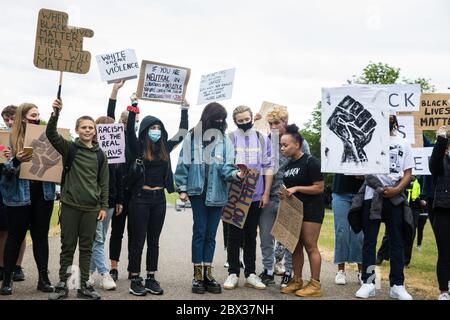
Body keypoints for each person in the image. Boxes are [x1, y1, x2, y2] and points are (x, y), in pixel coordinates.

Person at [175, 102, 245, 294]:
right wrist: (181, 188)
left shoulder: (225, 140)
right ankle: (197, 275)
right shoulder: (192, 137)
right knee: (200, 231)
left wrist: (236, 174)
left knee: (211, 235)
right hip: (197, 192)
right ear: (208, 118)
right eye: (217, 118)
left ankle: (208, 274)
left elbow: (227, 167)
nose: (220, 122)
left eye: (222, 119)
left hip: (218, 194)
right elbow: (183, 162)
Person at [125, 94, 189, 296]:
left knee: (154, 240)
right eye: (152, 128)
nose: (156, 131)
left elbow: (182, 133)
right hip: (140, 199)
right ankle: (135, 278)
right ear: (145, 130)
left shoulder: (165, 148)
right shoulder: (137, 147)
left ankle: (151, 277)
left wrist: (184, 109)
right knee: (138, 239)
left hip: (159, 199)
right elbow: (128, 131)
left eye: (158, 128)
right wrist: (134, 107)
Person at [47, 99, 108, 300]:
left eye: (91, 127)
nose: (88, 130)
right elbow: (51, 134)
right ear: (77, 130)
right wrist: (55, 113)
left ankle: (83, 286)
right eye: (84, 127)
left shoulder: (101, 155)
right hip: (70, 206)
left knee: (86, 249)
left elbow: (104, 183)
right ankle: (63, 285)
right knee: (67, 247)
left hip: (91, 209)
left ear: (95, 131)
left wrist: (103, 207)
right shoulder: (69, 148)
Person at [354, 114, 414, 300]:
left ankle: (397, 285)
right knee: (369, 241)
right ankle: (369, 282)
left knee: (396, 241)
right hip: (372, 197)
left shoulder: (404, 143)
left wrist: (397, 189)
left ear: (394, 122)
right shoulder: (367, 141)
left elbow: (408, 173)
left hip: (395, 198)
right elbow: (358, 173)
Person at [0, 103, 55, 295]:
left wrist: (56, 112)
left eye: (39, 115)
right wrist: (16, 160)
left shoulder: (46, 137)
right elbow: (4, 171)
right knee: (15, 237)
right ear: (23, 118)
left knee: (41, 237)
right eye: (33, 115)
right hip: (18, 197)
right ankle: (7, 280)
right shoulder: (8, 139)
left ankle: (43, 279)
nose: (37, 118)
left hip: (44, 194)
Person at [258, 106, 310, 288]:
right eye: (270, 123)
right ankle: (268, 270)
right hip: (269, 195)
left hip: (289, 196)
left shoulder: (299, 142)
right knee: (265, 236)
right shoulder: (267, 141)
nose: (273, 126)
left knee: (288, 237)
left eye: (276, 123)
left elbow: (307, 166)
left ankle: (288, 272)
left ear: (285, 122)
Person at [222, 106, 272, 290]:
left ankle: (250, 273)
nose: (244, 123)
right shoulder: (229, 138)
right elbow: (225, 165)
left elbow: (268, 167)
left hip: (256, 194)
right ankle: (233, 273)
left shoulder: (261, 138)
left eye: (246, 119)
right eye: (240, 120)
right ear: (235, 121)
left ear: (252, 118)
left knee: (251, 234)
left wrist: (266, 193)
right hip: (235, 194)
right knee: (234, 235)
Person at [278, 124, 325, 297]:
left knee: (310, 246)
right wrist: (285, 194)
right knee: (295, 247)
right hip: (294, 210)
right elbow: (291, 189)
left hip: (312, 210)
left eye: (286, 145)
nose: (282, 148)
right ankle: (297, 280)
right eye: (281, 145)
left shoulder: (310, 161)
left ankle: (315, 284)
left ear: (297, 144)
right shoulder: (289, 165)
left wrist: (296, 188)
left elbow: (319, 188)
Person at [106, 80, 137, 281]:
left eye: (128, 122)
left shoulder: (136, 142)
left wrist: (134, 106)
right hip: (118, 193)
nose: (124, 125)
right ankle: (113, 266)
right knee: (116, 232)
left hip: (134, 194)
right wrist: (115, 91)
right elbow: (108, 115)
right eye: (122, 122)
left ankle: (132, 268)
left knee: (134, 234)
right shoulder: (111, 139)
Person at [87, 115, 122, 291]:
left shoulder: (115, 151)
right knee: (98, 239)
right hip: (94, 202)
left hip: (109, 202)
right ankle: (105, 274)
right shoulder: (91, 150)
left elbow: (116, 179)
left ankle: (86, 274)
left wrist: (117, 200)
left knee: (98, 239)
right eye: (109, 128)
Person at [0, 105, 26, 283]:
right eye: (5, 119)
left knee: (19, 231)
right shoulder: (2, 137)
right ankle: (2, 267)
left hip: (19, 188)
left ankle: (17, 266)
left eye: (11, 119)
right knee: (2, 230)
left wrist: (14, 157)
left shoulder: (25, 138)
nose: (9, 122)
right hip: (2, 187)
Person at [429, 126, 450, 300]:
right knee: (444, 253)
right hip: (443, 210)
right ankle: (444, 291)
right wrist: (441, 139)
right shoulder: (440, 160)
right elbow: (433, 165)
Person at [332, 174, 364, 285]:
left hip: (361, 191)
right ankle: (340, 271)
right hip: (340, 191)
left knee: (360, 234)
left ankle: (362, 272)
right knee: (341, 232)